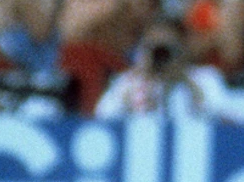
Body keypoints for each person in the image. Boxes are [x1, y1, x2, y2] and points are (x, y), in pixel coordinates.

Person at [94, 17, 229, 120]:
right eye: (155, 49)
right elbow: (102, 117)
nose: (161, 56)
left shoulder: (205, 78)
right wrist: (137, 79)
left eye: (166, 50)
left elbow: (222, 117)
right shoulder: (127, 81)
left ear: (181, 48)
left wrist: (185, 80)